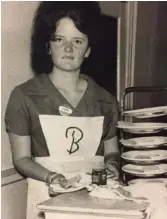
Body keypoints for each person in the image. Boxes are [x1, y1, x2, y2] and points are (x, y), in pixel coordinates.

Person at [5, 2, 120, 219]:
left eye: (78, 41)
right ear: (48, 46)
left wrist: (112, 163)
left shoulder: (105, 100)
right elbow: (21, 158)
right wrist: (51, 177)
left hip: (96, 199)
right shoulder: (24, 96)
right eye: (59, 39)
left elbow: (111, 150)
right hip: (46, 197)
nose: (68, 49)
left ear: (88, 50)